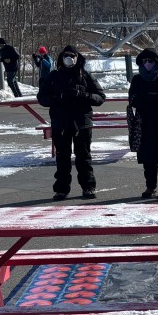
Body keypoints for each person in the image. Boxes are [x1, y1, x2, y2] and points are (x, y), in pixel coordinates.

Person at [36, 44, 105, 200]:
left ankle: (88, 187)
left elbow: (100, 97)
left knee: (84, 157)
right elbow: (42, 97)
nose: (69, 58)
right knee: (62, 158)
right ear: (61, 58)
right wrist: (57, 98)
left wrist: (82, 94)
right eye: (66, 55)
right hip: (60, 123)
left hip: (82, 122)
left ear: (77, 58)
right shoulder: (53, 76)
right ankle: (61, 189)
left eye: (72, 56)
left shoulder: (85, 76)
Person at [129, 48, 158, 198]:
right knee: (148, 157)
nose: (147, 63)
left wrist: (146, 97)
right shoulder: (137, 79)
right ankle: (150, 187)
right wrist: (152, 96)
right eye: (144, 61)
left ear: (156, 62)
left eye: (150, 61)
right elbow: (133, 99)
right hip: (144, 122)